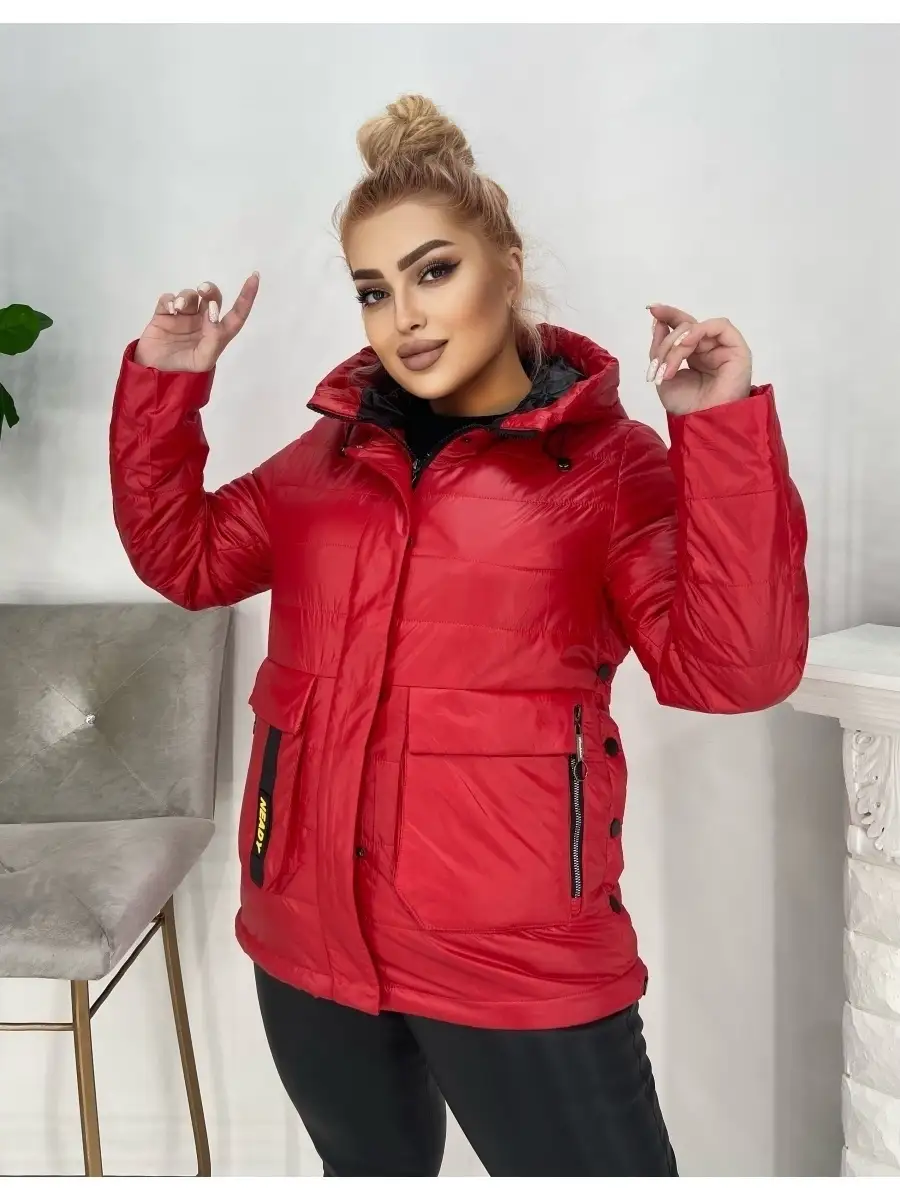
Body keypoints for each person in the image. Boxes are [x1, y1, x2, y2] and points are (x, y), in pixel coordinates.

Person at [110, 95, 809, 1177]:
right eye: (373, 291)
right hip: (311, 939)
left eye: (433, 272)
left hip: (517, 965)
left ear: (506, 265)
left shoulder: (609, 470)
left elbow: (731, 670)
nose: (406, 317)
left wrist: (716, 428)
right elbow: (185, 558)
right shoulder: (326, 462)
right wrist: (167, 382)